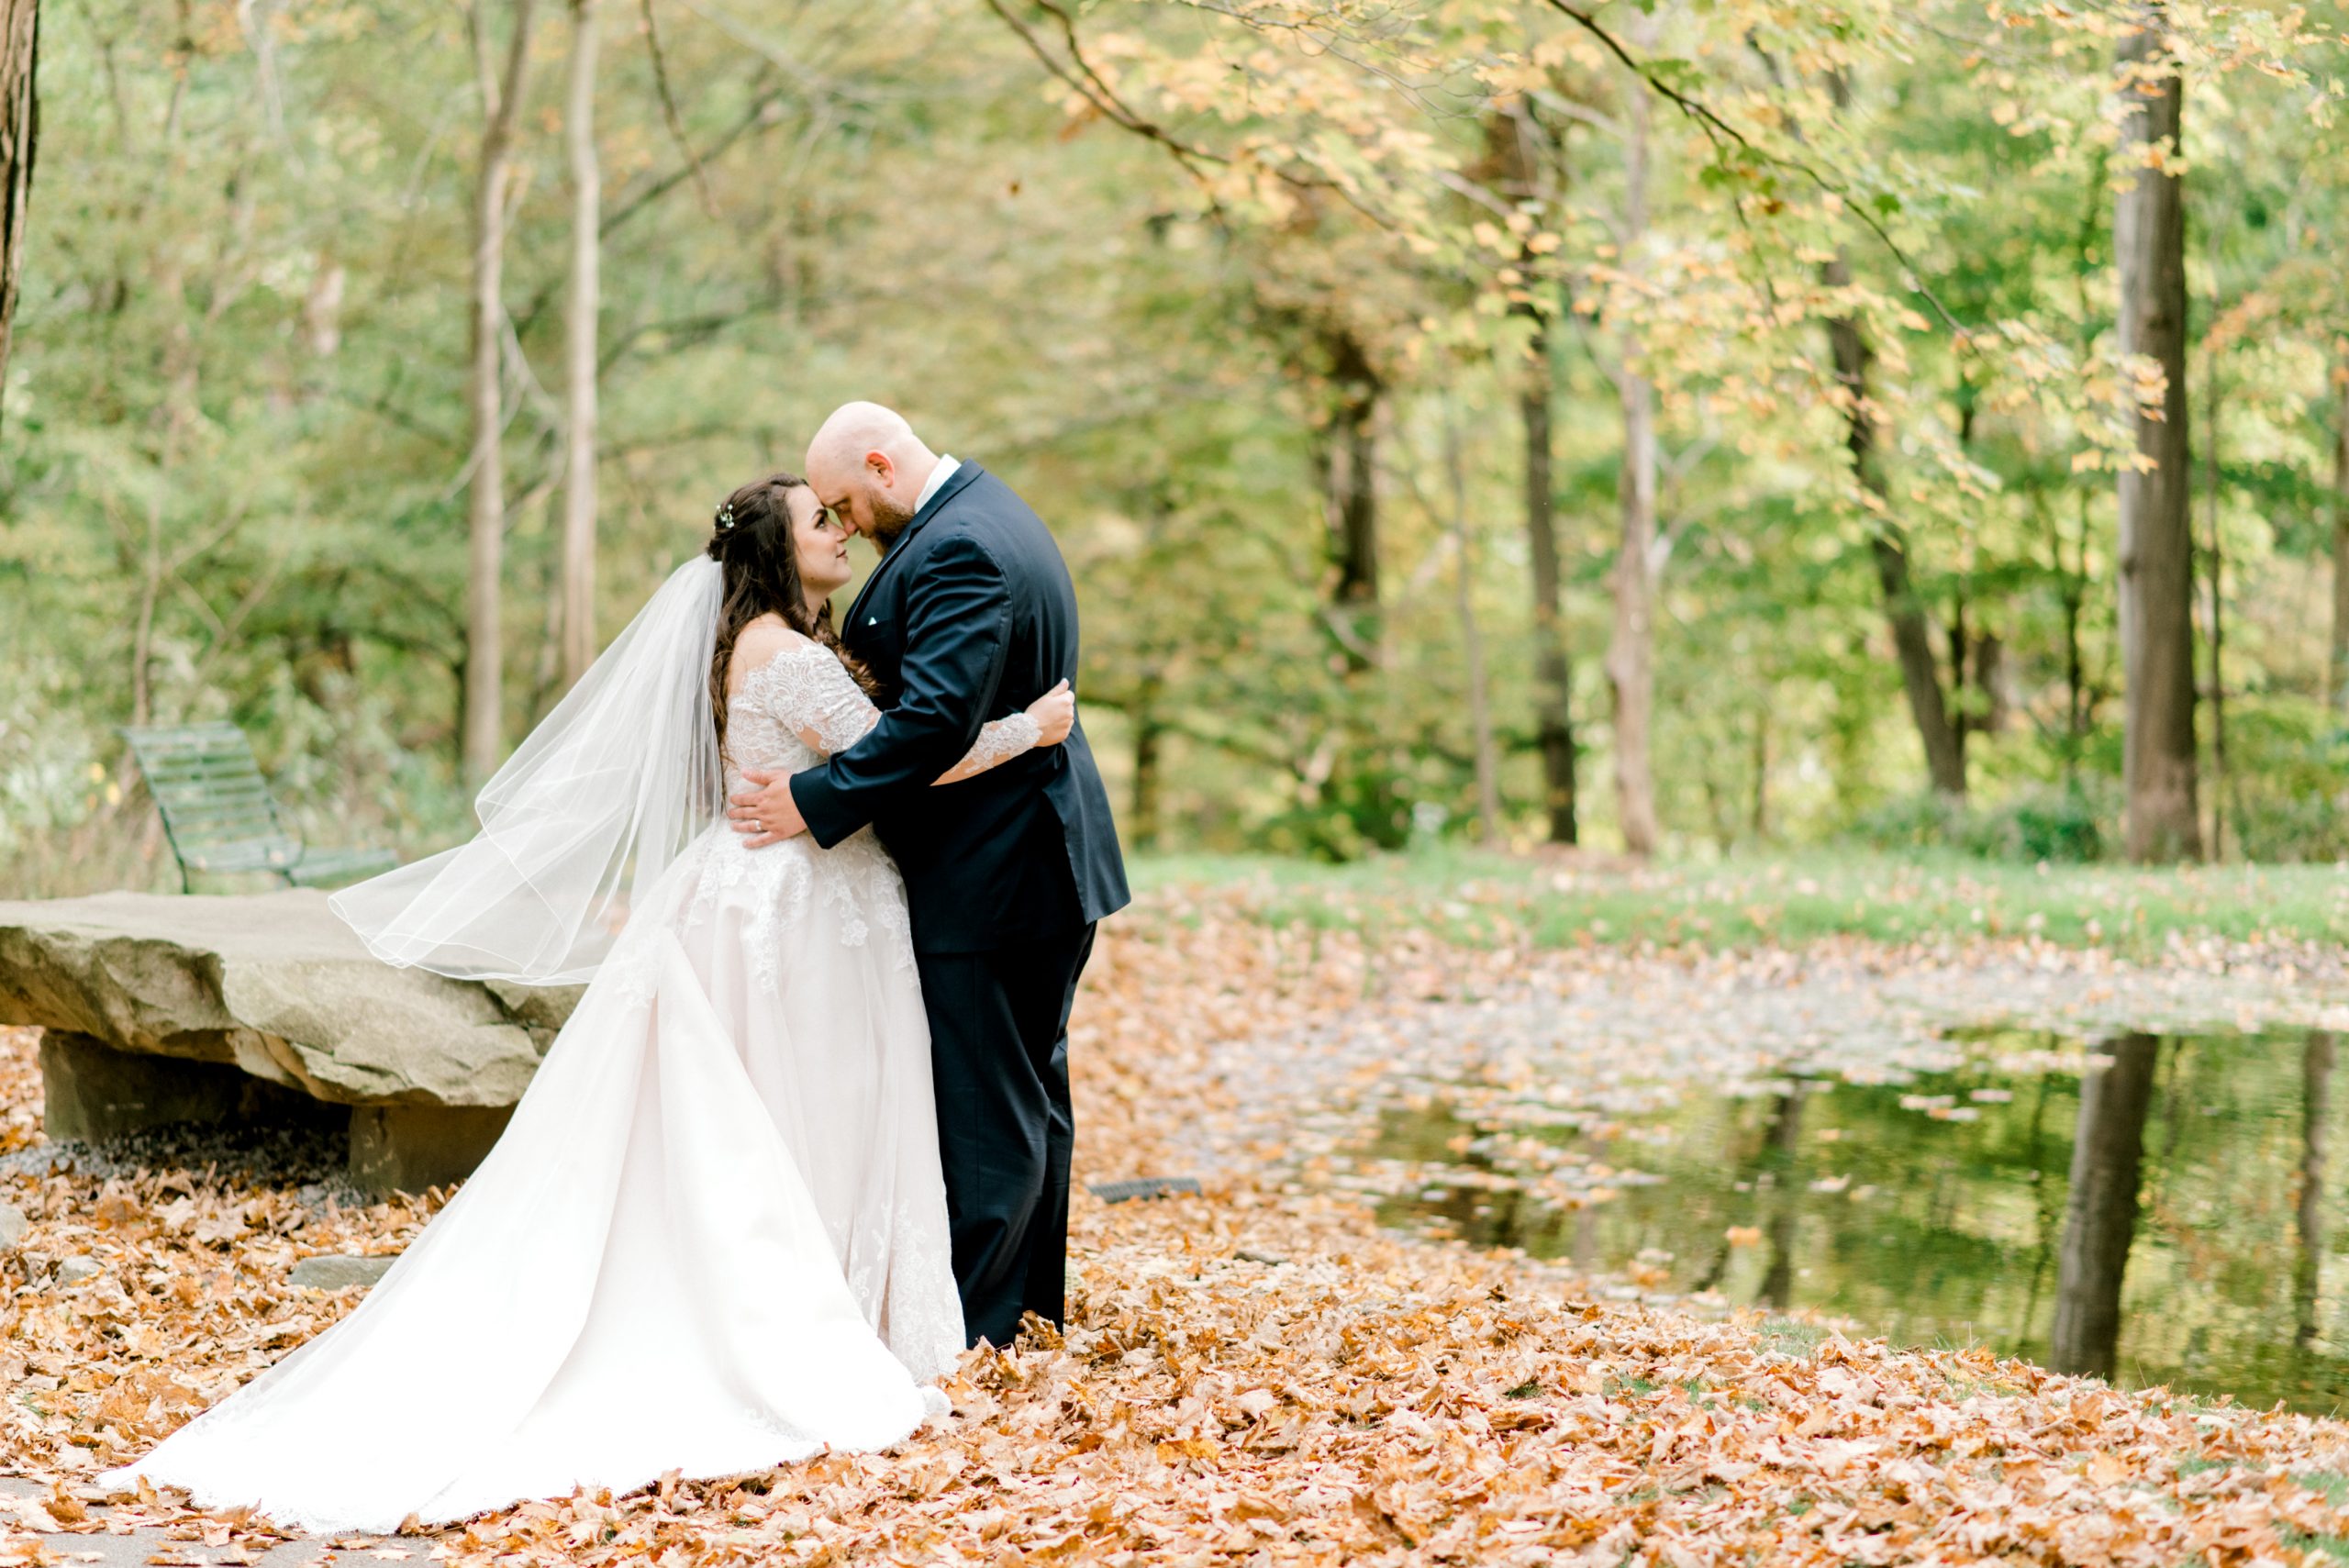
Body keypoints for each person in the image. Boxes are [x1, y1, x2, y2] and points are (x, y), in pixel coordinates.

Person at [100, 472, 1075, 1535]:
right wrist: (1028, 727)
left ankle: (825, 1302)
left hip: (760, 896)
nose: (841, 532)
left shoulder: (747, 643)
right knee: (805, 1111)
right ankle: (806, 1317)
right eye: (820, 521)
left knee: (768, 1114)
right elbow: (906, 756)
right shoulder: (787, 656)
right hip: (793, 915)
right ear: (776, 551)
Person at [727, 403, 1130, 1350]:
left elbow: (931, 725)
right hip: (1021, 864)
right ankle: (1022, 1317)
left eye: (843, 503)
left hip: (997, 872)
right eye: (824, 516)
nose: (845, 524)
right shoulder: (981, 514)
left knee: (990, 1111)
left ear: (880, 464)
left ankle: (986, 1335)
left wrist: (815, 798)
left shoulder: (959, 546)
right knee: (1023, 1095)